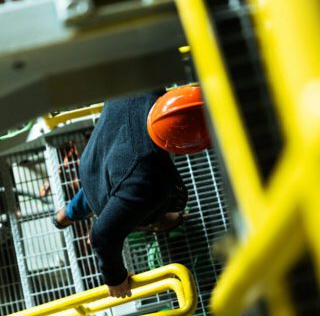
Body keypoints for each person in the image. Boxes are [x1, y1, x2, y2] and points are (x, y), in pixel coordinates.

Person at [53, 85, 210, 299]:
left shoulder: (145, 84)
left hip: (95, 162)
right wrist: (115, 278)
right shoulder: (147, 180)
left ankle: (66, 214)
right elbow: (102, 235)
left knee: (110, 183)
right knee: (166, 209)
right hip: (109, 182)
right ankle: (152, 223)